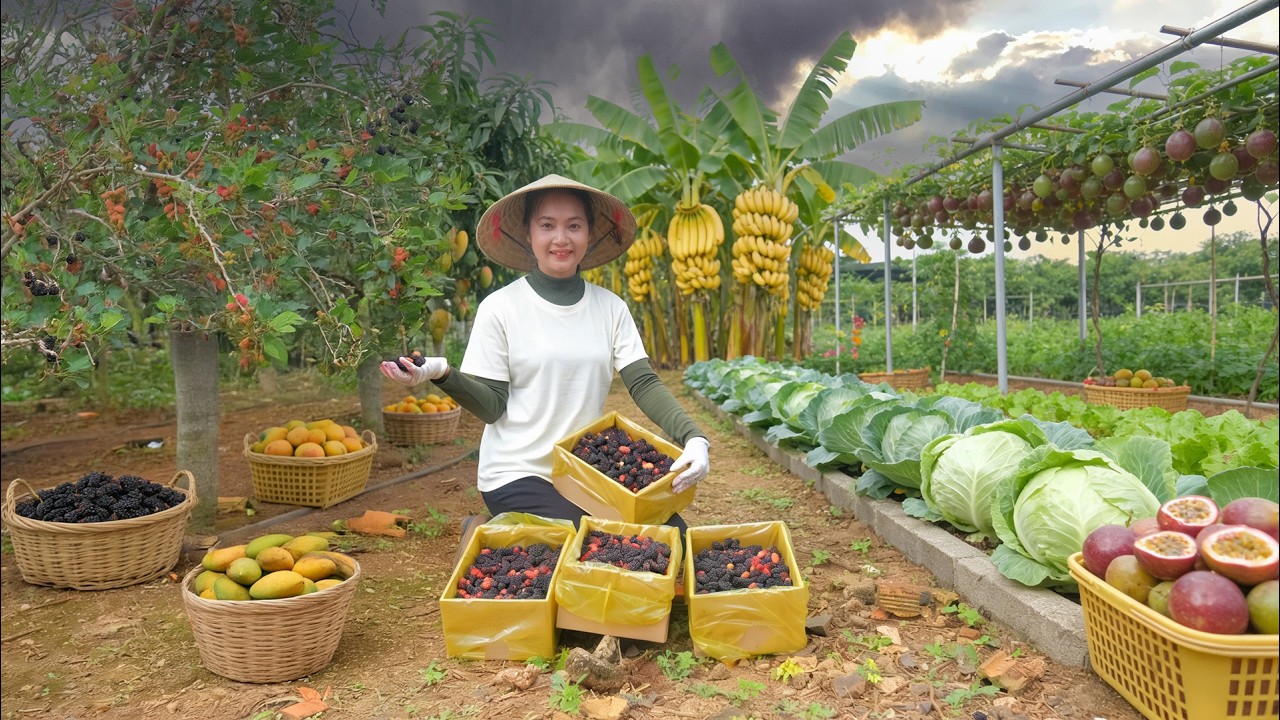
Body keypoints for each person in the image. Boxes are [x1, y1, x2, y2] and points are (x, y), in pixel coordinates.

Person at [380, 174, 710, 535]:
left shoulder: (610, 308)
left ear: (589, 234)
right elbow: (492, 407)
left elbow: (643, 382)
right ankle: (486, 531)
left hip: (585, 471)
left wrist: (693, 437)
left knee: (672, 537)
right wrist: (443, 373)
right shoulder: (501, 307)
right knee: (604, 542)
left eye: (574, 226)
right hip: (517, 473)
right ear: (528, 233)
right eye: (547, 225)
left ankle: (510, 534)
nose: (561, 238)